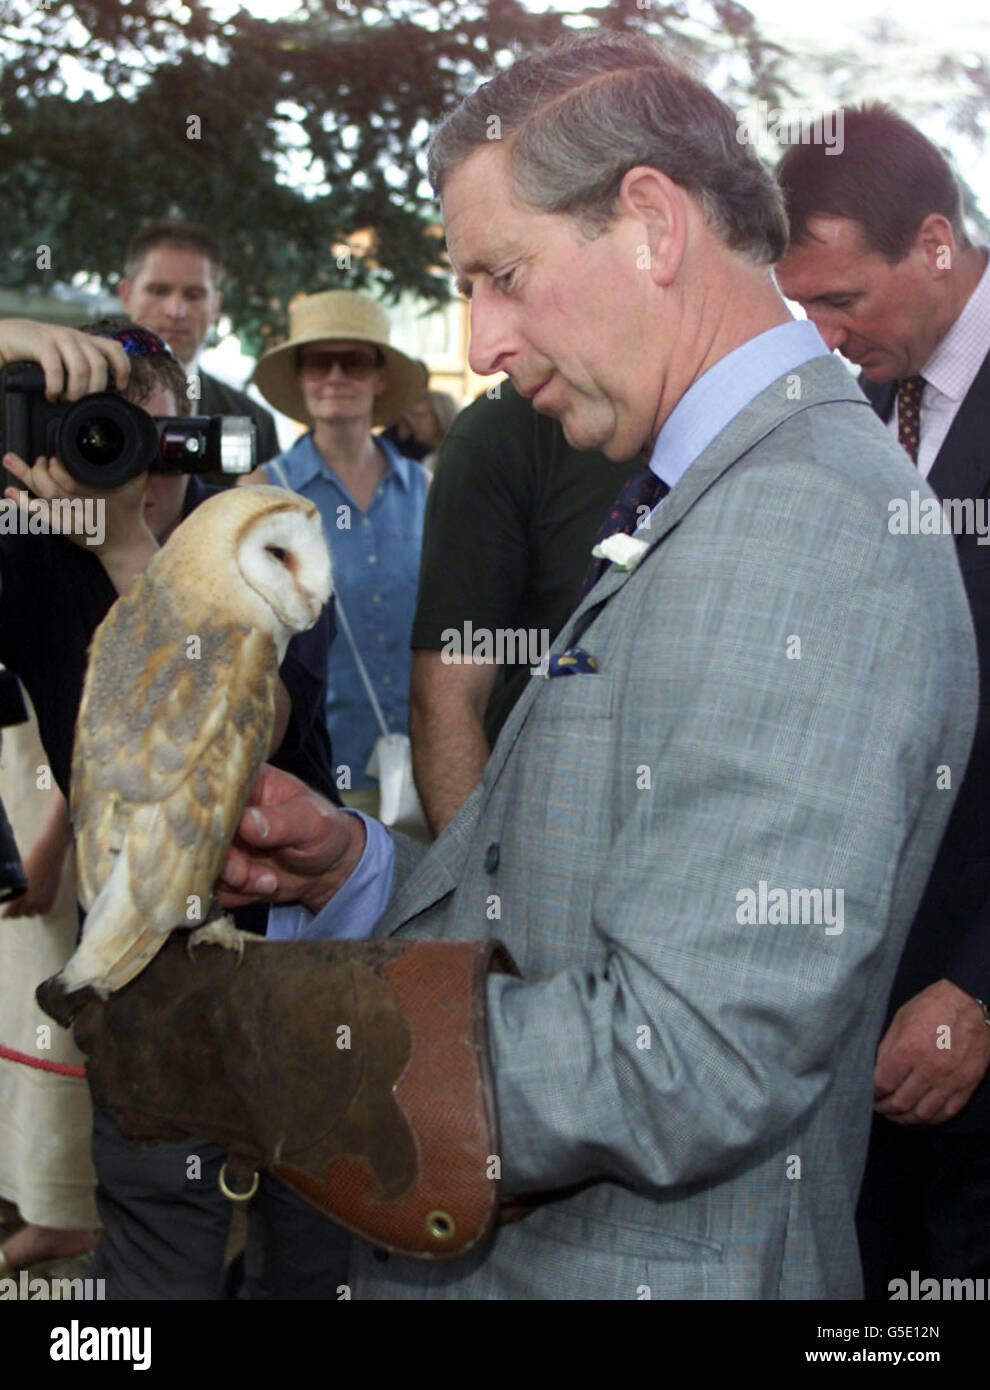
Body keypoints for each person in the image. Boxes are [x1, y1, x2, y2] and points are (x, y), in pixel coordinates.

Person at [67, 33, 977, 1300]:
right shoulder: (721, 486)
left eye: (503, 274)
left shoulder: (804, 521)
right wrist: (361, 871)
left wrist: (278, 1043)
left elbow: (691, 1051)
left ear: (652, 223)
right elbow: (575, 914)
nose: (483, 339)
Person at [0, 316, 344, 1298]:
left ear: (187, 436)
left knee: (313, 1264)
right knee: (157, 1279)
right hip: (148, 978)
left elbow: (246, 721)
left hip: (294, 970)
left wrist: (127, 554)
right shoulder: (27, 549)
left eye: (134, 436)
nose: (113, 464)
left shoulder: (260, 534)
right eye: (87, 432)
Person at [775, 105, 990, 1297]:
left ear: (937, 245)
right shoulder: (857, 410)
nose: (826, 332)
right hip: (858, 1028)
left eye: (846, 297)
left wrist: (978, 989)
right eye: (804, 302)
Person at [410, 380, 639, 832]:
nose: (483, 351)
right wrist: (475, 888)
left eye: (510, 301)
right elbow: (449, 697)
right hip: (546, 834)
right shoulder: (502, 430)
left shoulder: (759, 418)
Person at [245, 290, 428, 818]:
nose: (335, 375)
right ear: (300, 377)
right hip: (311, 772)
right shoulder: (264, 492)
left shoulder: (425, 489)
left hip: (420, 768)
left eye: (355, 361)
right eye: (318, 361)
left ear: (380, 376)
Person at [119, 219, 279, 467]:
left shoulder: (254, 424)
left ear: (215, 305)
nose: (176, 311)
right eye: (159, 291)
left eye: (193, 295)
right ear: (126, 295)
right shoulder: (75, 401)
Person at [404, 388, 459, 473]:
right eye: (413, 416)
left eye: (421, 416)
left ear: (440, 416)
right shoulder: (428, 461)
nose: (413, 423)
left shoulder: (461, 457)